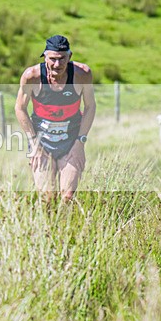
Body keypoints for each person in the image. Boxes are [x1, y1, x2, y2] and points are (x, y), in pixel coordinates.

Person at [14, 35, 95, 202]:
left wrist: (80, 142)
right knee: (47, 198)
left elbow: (90, 107)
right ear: (44, 56)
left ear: (70, 57)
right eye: (52, 59)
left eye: (62, 59)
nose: (57, 64)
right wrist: (34, 143)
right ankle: (48, 228)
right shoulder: (32, 76)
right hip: (41, 141)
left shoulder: (82, 75)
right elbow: (20, 108)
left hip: (71, 140)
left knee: (67, 197)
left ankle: (67, 227)